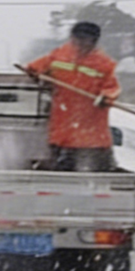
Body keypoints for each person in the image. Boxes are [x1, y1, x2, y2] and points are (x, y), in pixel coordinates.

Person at [24, 20, 121, 171]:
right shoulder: (58, 56)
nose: (80, 43)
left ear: (94, 41)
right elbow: (33, 68)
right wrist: (38, 76)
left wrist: (106, 97)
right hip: (60, 126)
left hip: (91, 132)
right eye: (77, 38)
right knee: (53, 170)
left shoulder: (104, 64)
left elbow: (111, 88)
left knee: (95, 171)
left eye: (85, 39)